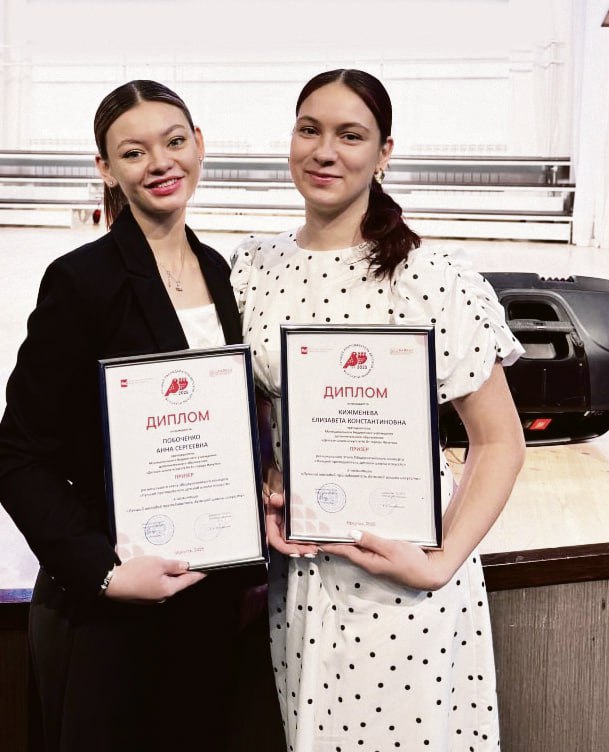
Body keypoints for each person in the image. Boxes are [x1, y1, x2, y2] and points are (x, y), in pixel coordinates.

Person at [231, 69, 526, 751]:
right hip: (301, 577)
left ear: (383, 152)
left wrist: (439, 562)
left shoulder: (434, 276)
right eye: (309, 129)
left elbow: (499, 443)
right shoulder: (252, 268)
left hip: (407, 582)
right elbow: (256, 419)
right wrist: (267, 479)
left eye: (350, 135)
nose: (324, 151)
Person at [0, 80, 275, 752]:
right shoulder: (81, 280)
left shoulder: (221, 272)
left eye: (174, 141)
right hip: (114, 616)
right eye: (133, 151)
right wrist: (106, 574)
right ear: (106, 167)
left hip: (211, 603)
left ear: (199, 144)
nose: (160, 163)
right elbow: (20, 456)